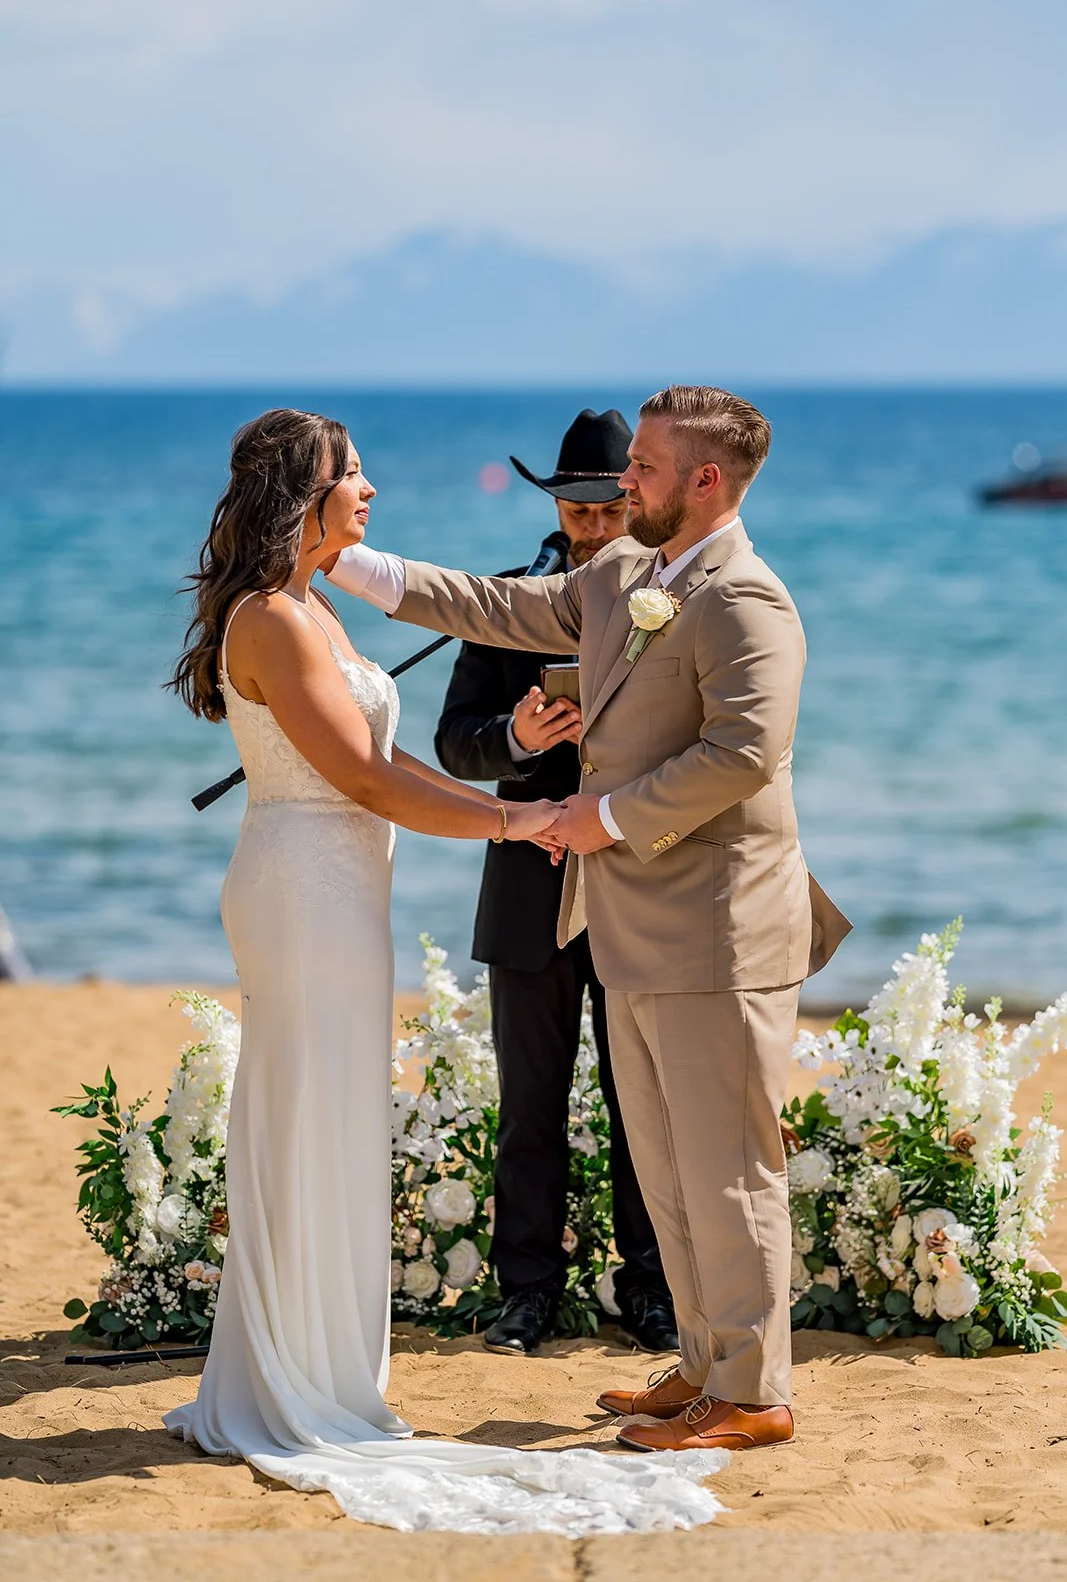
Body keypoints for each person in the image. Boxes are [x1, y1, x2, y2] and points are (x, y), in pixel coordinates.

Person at [163, 407, 727, 1534]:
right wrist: (518, 821)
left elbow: (384, 763)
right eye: (351, 475)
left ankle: (315, 1361)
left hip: (337, 888)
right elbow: (371, 780)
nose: (369, 490)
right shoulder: (272, 618)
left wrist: (519, 802)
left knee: (332, 1114)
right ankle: (289, 1379)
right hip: (306, 886)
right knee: (307, 1108)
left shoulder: (310, 605)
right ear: (301, 493)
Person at [329, 385, 852, 1454]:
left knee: (726, 1163)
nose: (623, 485)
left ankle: (752, 1389)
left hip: (716, 927)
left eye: (645, 468)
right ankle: (704, 1364)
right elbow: (486, 605)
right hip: (632, 925)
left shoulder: (746, 598)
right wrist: (334, 560)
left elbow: (741, 755)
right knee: (665, 1161)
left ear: (705, 481)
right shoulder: (621, 575)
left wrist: (597, 814)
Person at [434, 409, 676, 1356]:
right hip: (529, 889)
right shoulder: (502, 602)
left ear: (634, 499)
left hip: (635, 886)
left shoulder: (672, 595)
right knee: (529, 1105)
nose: (589, 526)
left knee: (642, 1103)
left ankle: (649, 1287)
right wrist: (516, 743)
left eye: (605, 506)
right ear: (554, 505)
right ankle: (526, 1294)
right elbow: (456, 743)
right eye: (573, 508)